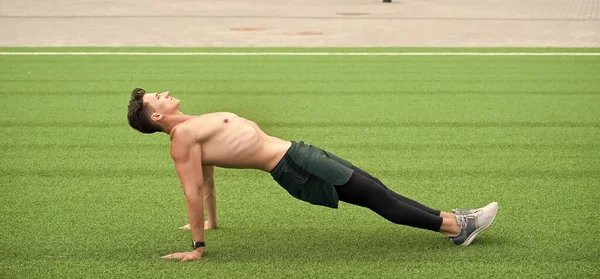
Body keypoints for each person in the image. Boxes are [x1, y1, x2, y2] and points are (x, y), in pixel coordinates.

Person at [127, 88, 498, 262]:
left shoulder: (192, 125)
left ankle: (454, 221)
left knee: (375, 188)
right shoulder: (183, 138)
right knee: (375, 196)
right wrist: (198, 247)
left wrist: (212, 222)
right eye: (156, 98)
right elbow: (193, 190)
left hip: (298, 154)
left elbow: (207, 181)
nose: (164, 93)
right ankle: (456, 228)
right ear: (156, 117)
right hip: (294, 166)